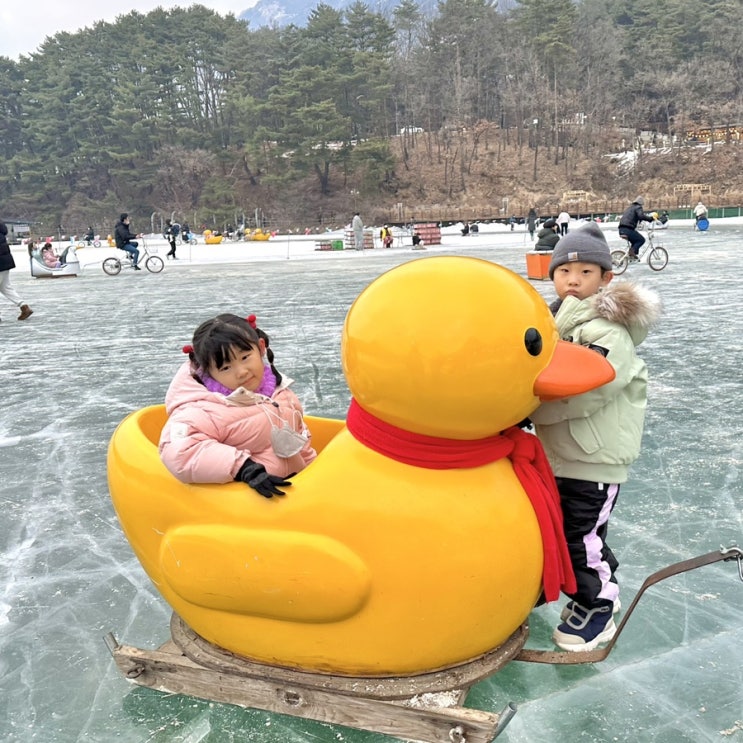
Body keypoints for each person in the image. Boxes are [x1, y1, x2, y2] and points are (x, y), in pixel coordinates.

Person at [530, 223, 661, 652]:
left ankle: (599, 602)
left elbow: (588, 390)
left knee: (581, 535)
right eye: (564, 272)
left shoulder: (609, 332)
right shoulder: (552, 326)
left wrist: (523, 410)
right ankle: (554, 588)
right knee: (550, 527)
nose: (573, 280)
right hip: (558, 453)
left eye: (586, 272)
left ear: (606, 278)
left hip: (594, 457)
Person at [159, 313, 317, 498]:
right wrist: (243, 468)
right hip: (248, 506)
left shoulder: (280, 395)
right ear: (207, 372)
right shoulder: (202, 410)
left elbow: (300, 444)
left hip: (292, 496)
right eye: (225, 368)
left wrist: (315, 476)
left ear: (260, 348)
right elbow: (181, 451)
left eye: (245, 357)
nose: (241, 372)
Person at [0, 218, 33, 321]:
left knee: (5, 287)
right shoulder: (1, 230)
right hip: (5, 263)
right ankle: (24, 306)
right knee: (5, 287)